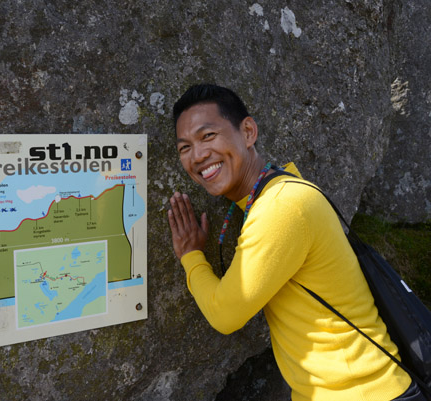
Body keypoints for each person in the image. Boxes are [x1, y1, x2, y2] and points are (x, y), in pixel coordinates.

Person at [167, 84, 422, 401]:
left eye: (208, 136)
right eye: (184, 148)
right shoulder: (281, 189)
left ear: (248, 132)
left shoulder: (281, 206)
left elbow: (225, 315)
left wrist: (191, 256)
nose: (198, 155)